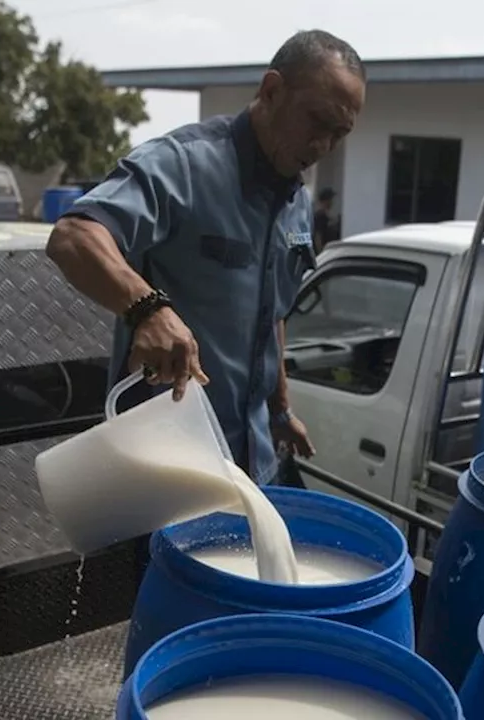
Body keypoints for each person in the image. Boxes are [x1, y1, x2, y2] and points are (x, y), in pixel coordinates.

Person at [45, 30, 366, 491]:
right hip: (169, 465)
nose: (324, 146)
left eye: (340, 134)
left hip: (253, 457)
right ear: (272, 90)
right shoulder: (184, 165)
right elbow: (73, 235)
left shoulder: (296, 198)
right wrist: (146, 309)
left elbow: (271, 311)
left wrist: (280, 410)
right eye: (317, 122)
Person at [312, 187, 340, 253]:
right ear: (326, 200)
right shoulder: (319, 216)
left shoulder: (327, 216)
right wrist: (321, 253)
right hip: (323, 253)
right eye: (330, 199)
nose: (332, 201)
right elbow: (318, 237)